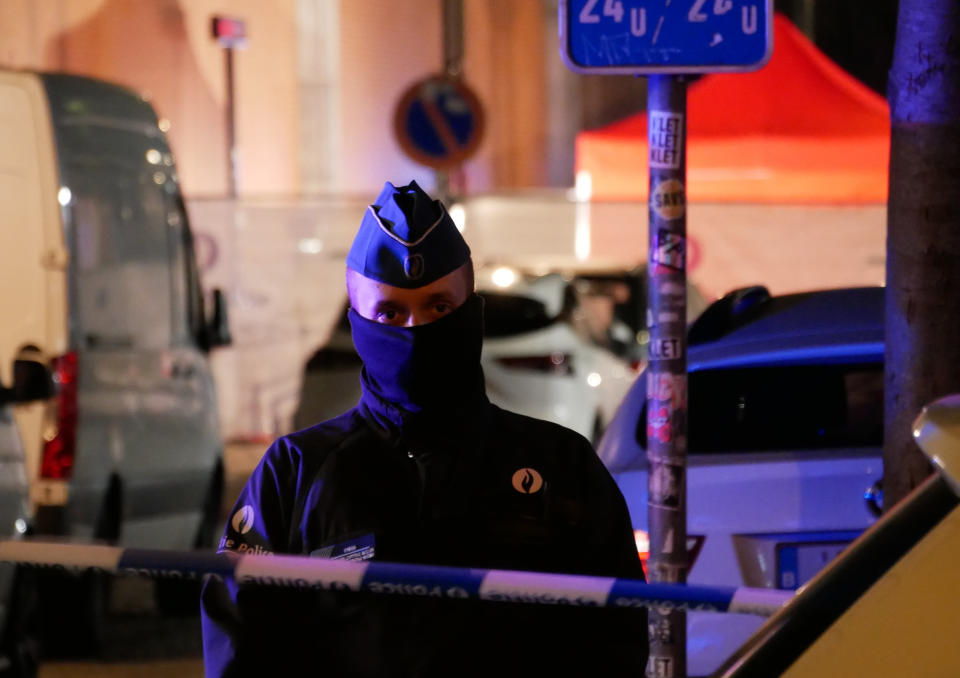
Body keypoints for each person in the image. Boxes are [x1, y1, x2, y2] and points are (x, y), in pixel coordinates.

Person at [201, 180, 647, 677]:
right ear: (358, 322)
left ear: (470, 312)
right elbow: (239, 647)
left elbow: (615, 641)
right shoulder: (295, 475)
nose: (415, 333)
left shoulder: (561, 465)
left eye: (438, 307)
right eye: (390, 312)